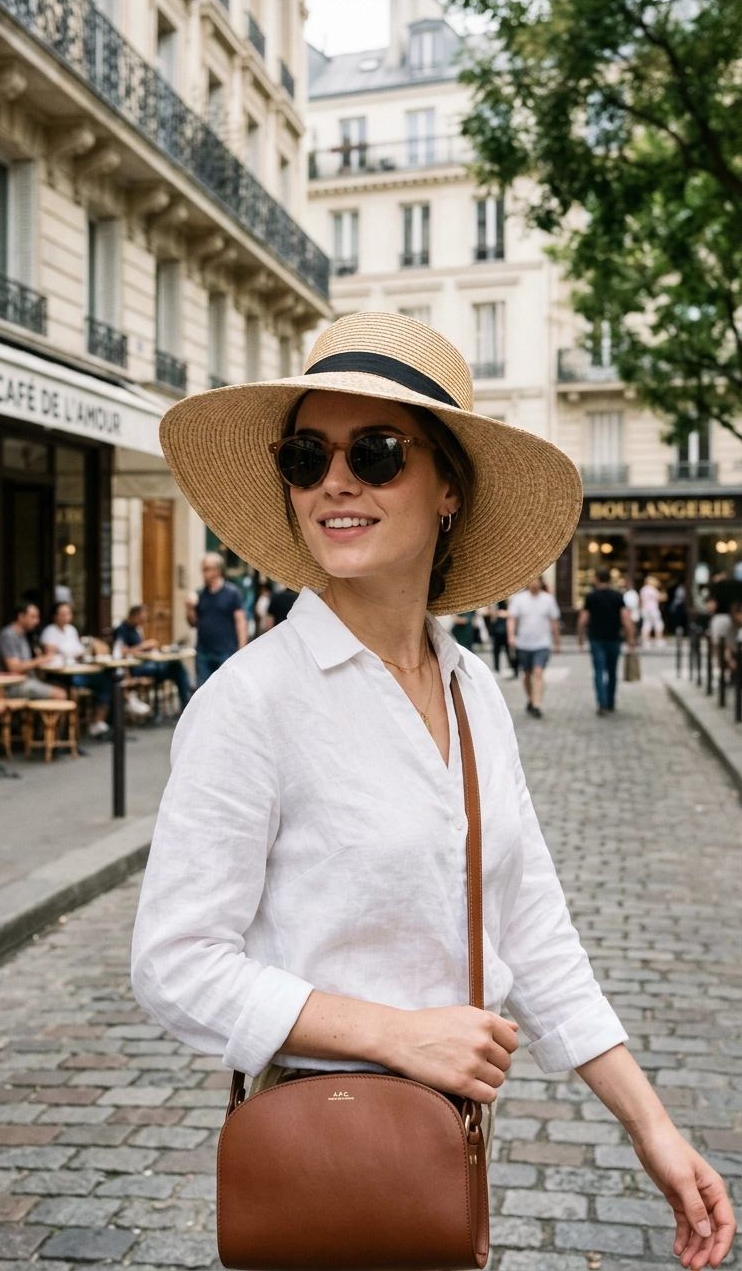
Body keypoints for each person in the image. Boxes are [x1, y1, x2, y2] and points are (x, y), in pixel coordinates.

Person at [132, 311, 735, 1268]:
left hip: (443, 1155)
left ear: (447, 486)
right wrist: (397, 1036)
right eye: (306, 454)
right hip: (317, 1147)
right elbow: (174, 962)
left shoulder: (473, 694)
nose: (336, 480)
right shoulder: (251, 701)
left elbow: (532, 930)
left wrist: (652, 1130)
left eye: (375, 452)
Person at [41, 601, 113, 737]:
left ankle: (98, 722)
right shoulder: (49, 632)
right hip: (59, 674)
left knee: (105, 680)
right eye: (62, 614)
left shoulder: (71, 630)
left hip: (77, 669)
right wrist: (69, 653)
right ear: (55, 616)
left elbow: (79, 651)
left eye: (68, 613)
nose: (65, 617)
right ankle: (66, 731)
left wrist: (69, 652)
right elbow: (50, 652)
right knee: (72, 687)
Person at [577, 567, 636, 715]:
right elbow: (626, 618)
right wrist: (630, 638)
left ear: (596, 578)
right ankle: (610, 702)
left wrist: (580, 637)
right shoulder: (618, 596)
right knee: (612, 672)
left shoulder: (591, 596)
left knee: (598, 671)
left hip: (596, 638)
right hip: (614, 638)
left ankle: (601, 703)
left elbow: (583, 618)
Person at [113, 604, 192, 713]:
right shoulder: (122, 629)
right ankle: (187, 706)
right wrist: (144, 646)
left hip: (147, 664)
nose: (143, 621)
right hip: (135, 668)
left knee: (177, 668)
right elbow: (123, 651)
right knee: (174, 668)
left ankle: (187, 704)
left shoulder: (137, 629)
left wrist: (148, 648)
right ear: (134, 616)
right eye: (141, 618)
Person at [186, 553, 247, 684]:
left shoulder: (232, 592)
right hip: (203, 652)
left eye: (206, 569)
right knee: (203, 692)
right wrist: (190, 609)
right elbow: (193, 623)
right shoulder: (200, 594)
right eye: (202, 569)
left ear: (217, 570)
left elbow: (240, 621)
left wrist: (242, 648)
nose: (203, 573)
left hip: (225, 651)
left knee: (224, 690)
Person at [506, 577, 561, 718]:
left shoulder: (548, 599)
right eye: (531, 580)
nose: (534, 583)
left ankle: (537, 704)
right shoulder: (519, 599)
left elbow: (554, 622)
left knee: (538, 672)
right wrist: (511, 636)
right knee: (527, 674)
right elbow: (512, 619)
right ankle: (530, 699)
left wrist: (557, 642)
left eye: (537, 580)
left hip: (542, 643)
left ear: (541, 582)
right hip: (524, 643)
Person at [0, 602, 65, 700]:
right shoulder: (8, 636)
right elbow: (14, 668)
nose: (37, 621)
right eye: (33, 617)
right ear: (21, 617)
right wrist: (41, 660)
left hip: (28, 680)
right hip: (13, 685)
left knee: (63, 687)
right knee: (60, 694)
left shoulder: (22, 635)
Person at [640, 574, 665, 644]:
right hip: (653, 609)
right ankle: (659, 640)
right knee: (658, 624)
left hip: (645, 609)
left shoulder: (643, 589)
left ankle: (645, 641)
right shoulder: (653, 589)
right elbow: (659, 598)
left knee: (646, 624)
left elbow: (641, 601)